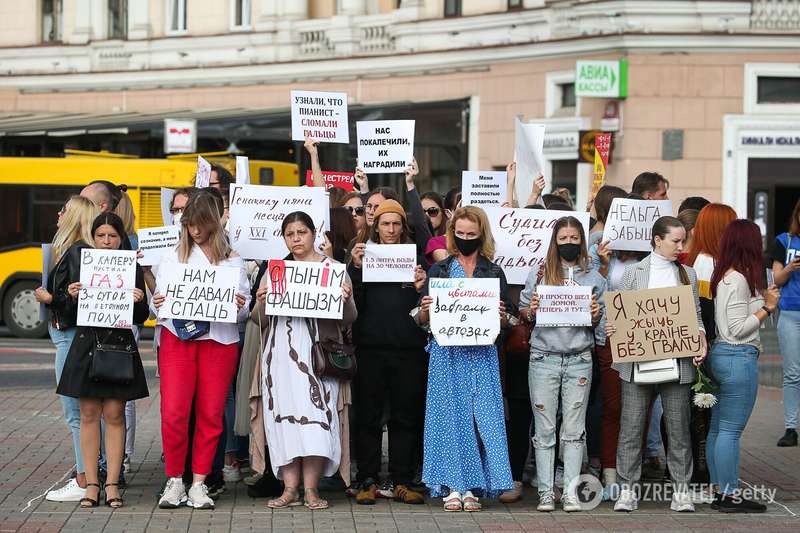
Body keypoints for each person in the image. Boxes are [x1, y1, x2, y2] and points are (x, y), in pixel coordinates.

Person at [251, 211, 356, 510]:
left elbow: (350, 319)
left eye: (302, 232)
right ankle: (289, 488)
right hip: (280, 356)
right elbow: (258, 321)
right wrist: (261, 301)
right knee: (284, 420)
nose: (296, 238)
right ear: (284, 238)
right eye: (290, 234)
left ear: (313, 234)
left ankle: (312, 489)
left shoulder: (333, 269)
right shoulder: (277, 271)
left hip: (318, 356)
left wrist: (345, 299)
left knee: (316, 421)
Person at [153, 190, 251, 510]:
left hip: (219, 342)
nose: (194, 231)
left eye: (200, 224)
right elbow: (162, 306)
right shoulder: (171, 256)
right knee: (174, 411)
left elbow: (243, 310)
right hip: (177, 340)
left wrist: (238, 306)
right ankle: (174, 480)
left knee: (211, 413)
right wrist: (158, 305)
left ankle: (198, 482)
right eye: (189, 224)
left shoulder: (232, 259)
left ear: (214, 221)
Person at [417, 206, 514, 512]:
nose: (466, 238)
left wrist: (503, 317)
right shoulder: (440, 271)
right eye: (460, 234)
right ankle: (453, 485)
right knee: (448, 419)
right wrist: (425, 309)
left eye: (472, 234)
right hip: (447, 355)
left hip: (482, 356)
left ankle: (474, 484)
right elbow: (419, 317)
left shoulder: (494, 272)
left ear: (481, 234)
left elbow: (510, 317)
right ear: (452, 234)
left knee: (482, 420)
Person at [608, 216, 707, 513]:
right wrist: (615, 328)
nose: (681, 246)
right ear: (657, 240)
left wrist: (701, 338)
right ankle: (627, 490)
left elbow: (696, 316)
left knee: (678, 429)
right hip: (638, 361)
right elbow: (620, 313)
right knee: (631, 427)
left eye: (682, 241)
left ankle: (681, 491)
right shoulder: (632, 274)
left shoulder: (687, 274)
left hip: (676, 362)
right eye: (675, 241)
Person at [56, 213, 150, 509]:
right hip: (86, 346)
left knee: (114, 414)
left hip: (118, 348)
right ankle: (92, 483)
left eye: (112, 236)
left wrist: (138, 300)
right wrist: (70, 296)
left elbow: (141, 316)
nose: (107, 242)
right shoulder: (82, 263)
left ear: (121, 239)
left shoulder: (130, 266)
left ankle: (112, 483)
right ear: (92, 238)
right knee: (88, 414)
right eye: (101, 236)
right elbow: (66, 315)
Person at [519, 216, 605, 512]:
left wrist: (595, 315)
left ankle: (569, 491)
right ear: (555, 242)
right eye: (563, 239)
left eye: (574, 238)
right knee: (544, 429)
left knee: (574, 429)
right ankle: (545, 492)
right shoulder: (540, 273)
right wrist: (530, 310)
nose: (569, 243)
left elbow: (602, 324)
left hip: (580, 359)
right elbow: (524, 312)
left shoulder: (595, 277)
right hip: (543, 358)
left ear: (582, 241)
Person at [349, 200, 428, 505]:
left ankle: (402, 479)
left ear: (403, 227)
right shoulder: (360, 257)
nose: (391, 230)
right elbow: (350, 304)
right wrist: (355, 270)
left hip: (408, 350)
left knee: (405, 417)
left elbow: (426, 307)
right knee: (368, 417)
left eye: (396, 224)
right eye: (385, 224)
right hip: (370, 348)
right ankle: (368, 479)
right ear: (375, 226)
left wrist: (422, 286)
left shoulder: (415, 260)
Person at [707, 219, 780, 512]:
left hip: (723, 356)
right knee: (730, 431)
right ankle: (729, 494)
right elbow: (738, 328)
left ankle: (718, 490)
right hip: (737, 356)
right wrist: (767, 308)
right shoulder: (736, 279)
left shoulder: (727, 275)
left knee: (718, 429)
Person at [34, 195, 99, 502]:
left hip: (70, 335)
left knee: (75, 411)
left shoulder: (78, 251)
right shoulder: (77, 250)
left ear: (73, 217)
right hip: (68, 335)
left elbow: (78, 304)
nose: (58, 214)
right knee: (78, 410)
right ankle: (87, 474)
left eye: (63, 210)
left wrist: (51, 299)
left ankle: (84, 477)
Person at [774, 198, 800, 447]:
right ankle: (791, 428)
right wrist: (791, 267)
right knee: (792, 373)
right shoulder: (785, 241)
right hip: (790, 313)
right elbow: (776, 279)